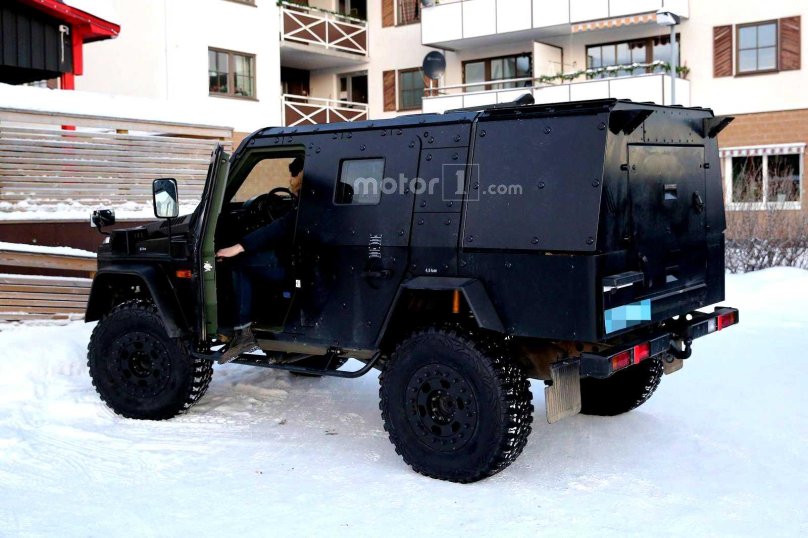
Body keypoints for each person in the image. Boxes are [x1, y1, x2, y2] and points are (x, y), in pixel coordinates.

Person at [216, 157, 303, 363]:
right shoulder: (317, 195)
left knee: (237, 263)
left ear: (301, 175)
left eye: (293, 175)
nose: (290, 180)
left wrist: (238, 247)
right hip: (302, 259)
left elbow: (280, 227)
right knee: (256, 261)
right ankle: (275, 343)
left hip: (296, 263)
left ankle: (243, 331)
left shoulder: (308, 198)